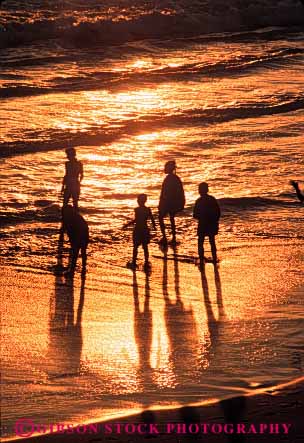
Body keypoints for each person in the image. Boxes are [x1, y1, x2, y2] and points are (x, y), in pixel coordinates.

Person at [125, 194, 156, 271]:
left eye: (138, 200)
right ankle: (146, 262)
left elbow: (136, 220)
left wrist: (127, 224)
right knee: (145, 247)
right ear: (145, 201)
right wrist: (154, 227)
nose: (138, 201)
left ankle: (134, 262)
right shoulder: (148, 209)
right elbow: (152, 219)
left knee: (135, 247)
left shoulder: (137, 210)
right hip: (145, 229)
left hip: (138, 229)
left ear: (139, 201)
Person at [193, 182, 221, 265]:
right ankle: (214, 258)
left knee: (200, 241)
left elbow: (195, 214)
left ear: (200, 191)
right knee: (212, 241)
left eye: (199, 189)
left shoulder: (199, 201)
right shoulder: (212, 199)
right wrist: (215, 221)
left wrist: (201, 217)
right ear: (207, 190)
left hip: (202, 223)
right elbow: (218, 213)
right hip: (211, 223)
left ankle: (201, 259)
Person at [158, 160, 185, 246]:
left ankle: (165, 237)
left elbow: (164, 193)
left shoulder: (169, 179)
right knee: (172, 218)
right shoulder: (176, 178)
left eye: (165, 167)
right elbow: (180, 192)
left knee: (161, 217)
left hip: (168, 203)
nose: (164, 169)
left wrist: (161, 203)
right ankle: (173, 237)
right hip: (174, 203)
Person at [62, 205, 89, 275]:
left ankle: (72, 270)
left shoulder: (69, 218)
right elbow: (85, 227)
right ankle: (83, 267)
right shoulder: (78, 217)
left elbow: (69, 230)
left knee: (75, 253)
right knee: (83, 252)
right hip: (84, 236)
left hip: (79, 236)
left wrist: (72, 239)